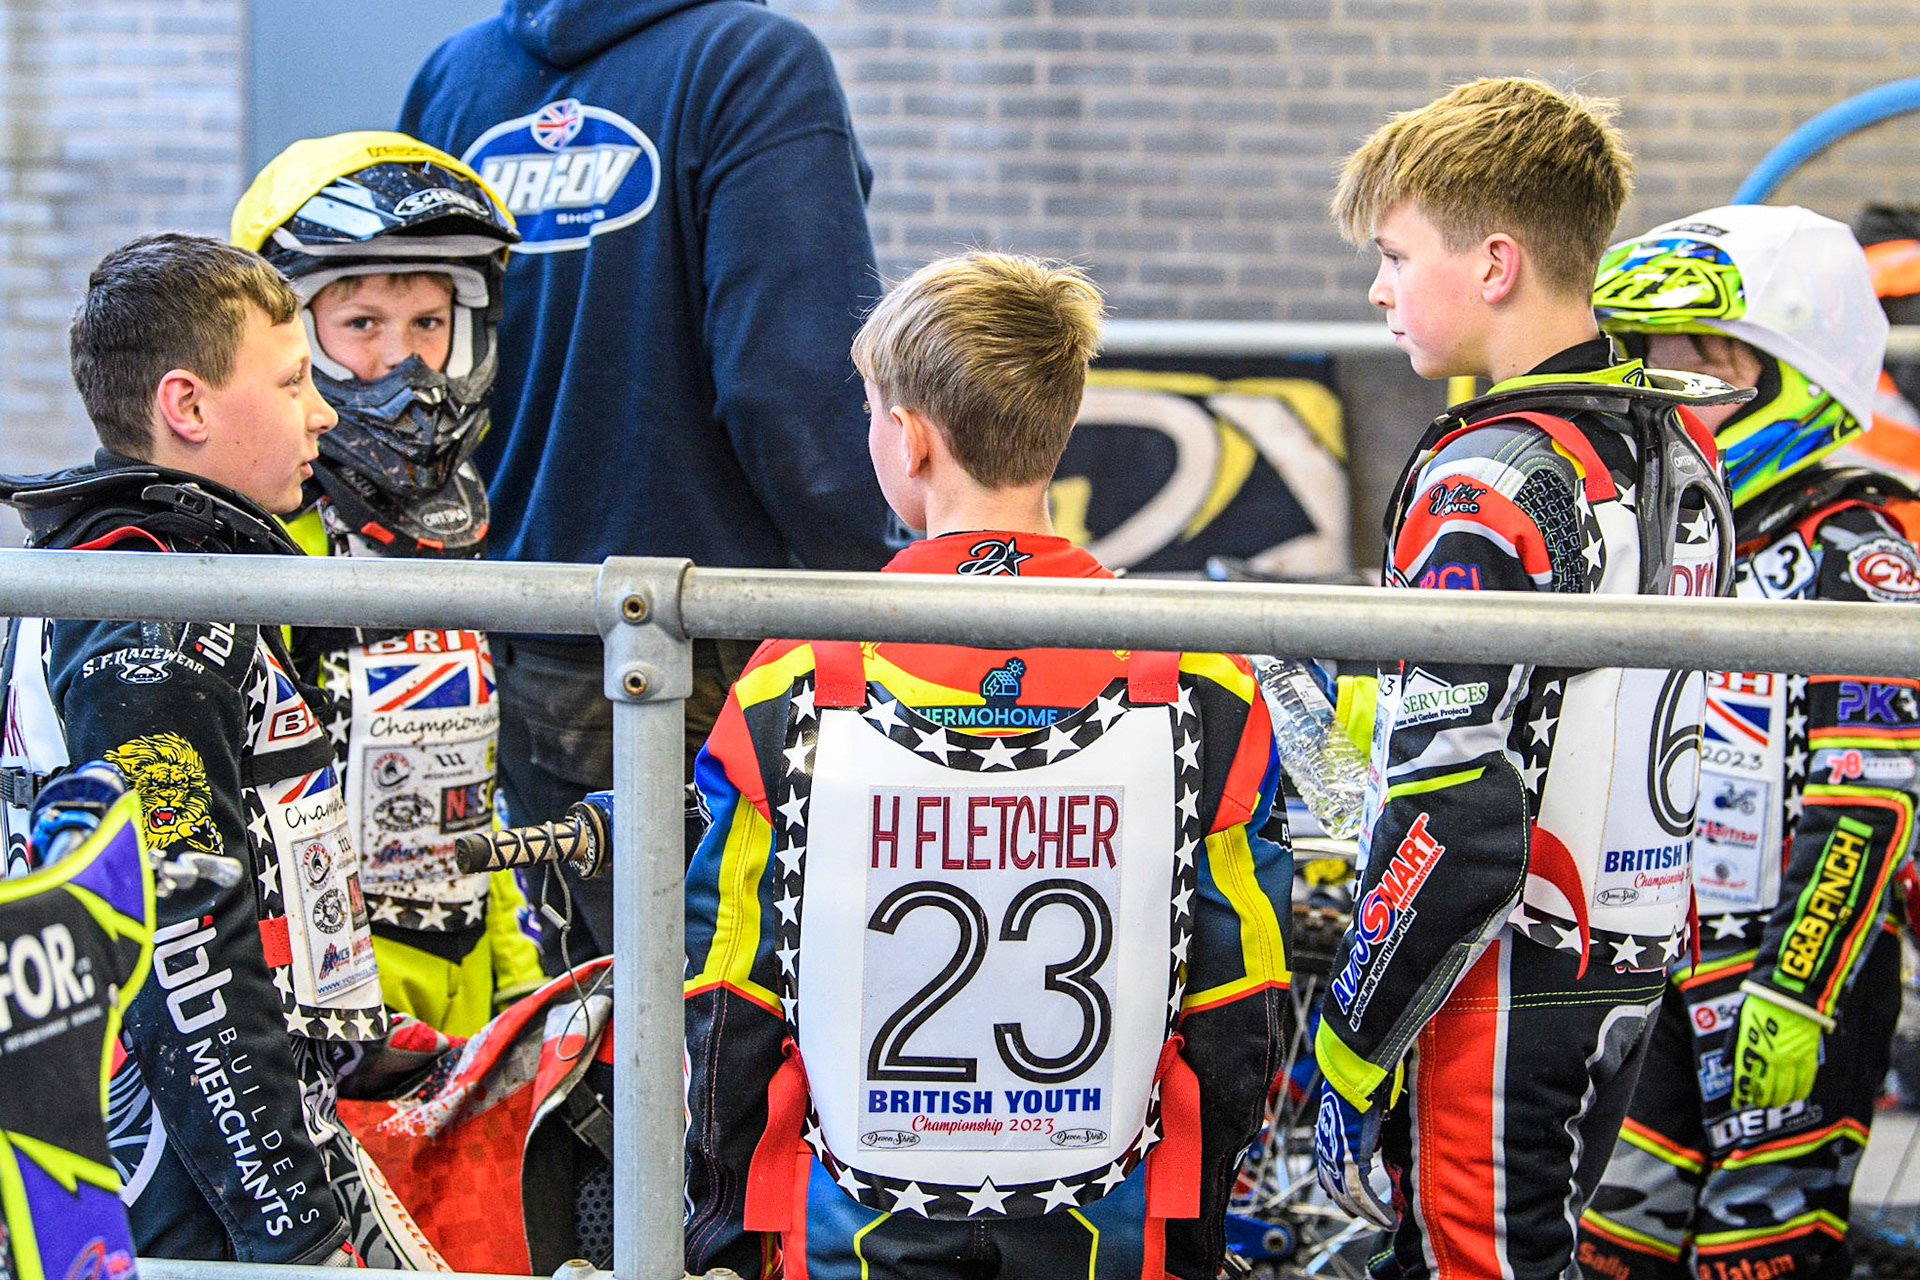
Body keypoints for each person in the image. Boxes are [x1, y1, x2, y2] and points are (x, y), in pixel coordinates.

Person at [682, 252, 1291, 1280]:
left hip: (842, 1232)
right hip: (1115, 1231)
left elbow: (726, 983)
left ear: (907, 437)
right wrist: (1194, 1224)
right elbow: (1245, 996)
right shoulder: (1205, 678)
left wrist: (725, 1223)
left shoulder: (789, 676)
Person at [1311, 77, 1739, 1280]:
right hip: (1628, 953)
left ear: (1495, 262)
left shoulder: (1491, 474)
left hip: (1492, 974)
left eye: (1396, 255)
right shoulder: (1676, 444)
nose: (1378, 288)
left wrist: (1354, 1032)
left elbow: (1460, 811)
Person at [398, 0, 894, 973]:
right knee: (713, 1008)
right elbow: (790, 389)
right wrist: (899, 584)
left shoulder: (453, 80)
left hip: (497, 636)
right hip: (695, 641)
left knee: (577, 1003)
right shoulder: (752, 64)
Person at [0, 234, 439, 1267]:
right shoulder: (149, 628)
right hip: (191, 1188)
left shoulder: (115, 575)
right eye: (292, 381)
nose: (324, 411)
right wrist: (296, 1227)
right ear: (187, 407)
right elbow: (182, 949)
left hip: (214, 1153)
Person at [1576, 204, 1920, 1280]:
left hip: (1792, 977)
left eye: (1698, 379)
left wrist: (1798, 987)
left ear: (1790, 374)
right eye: (1652, 375)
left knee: (1757, 1254)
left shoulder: (1857, 548)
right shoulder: (1674, 539)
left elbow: (1873, 803)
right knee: (1606, 1244)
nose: (1670, 405)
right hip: (1662, 971)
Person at [230, 132, 545, 1036]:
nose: (401, 362)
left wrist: (518, 988)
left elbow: (466, 775)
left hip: (457, 977)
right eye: (361, 324)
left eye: (427, 324)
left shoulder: (456, 522)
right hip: (315, 998)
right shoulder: (262, 538)